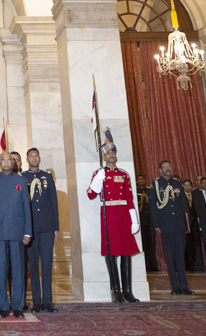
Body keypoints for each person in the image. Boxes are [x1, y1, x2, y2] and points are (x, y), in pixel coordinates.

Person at [86, 130, 140, 304]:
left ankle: (127, 291)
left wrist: (134, 219)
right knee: (112, 253)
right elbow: (90, 194)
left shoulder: (124, 175)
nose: (111, 155)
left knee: (126, 254)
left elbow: (129, 198)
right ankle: (115, 290)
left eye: (113, 152)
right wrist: (97, 180)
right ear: (103, 156)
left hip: (123, 215)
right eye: (108, 153)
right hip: (109, 216)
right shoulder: (99, 173)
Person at [0, 150, 32, 318]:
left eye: (9, 160)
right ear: (0, 163)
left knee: (18, 270)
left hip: (17, 231)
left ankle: (18, 306)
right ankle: (3, 306)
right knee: (0, 269)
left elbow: (27, 210)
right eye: (3, 160)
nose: (6, 162)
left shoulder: (21, 181)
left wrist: (28, 231)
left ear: (13, 163)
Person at [149, 159, 193, 296]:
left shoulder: (177, 183)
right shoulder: (156, 184)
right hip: (165, 225)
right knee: (170, 256)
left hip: (179, 225)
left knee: (180, 255)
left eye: (169, 166)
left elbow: (184, 205)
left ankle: (184, 286)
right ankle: (174, 286)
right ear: (160, 170)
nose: (168, 169)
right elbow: (152, 206)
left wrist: (187, 223)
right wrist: (156, 225)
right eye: (164, 167)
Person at [23, 148, 58, 312]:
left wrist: (56, 227)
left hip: (47, 227)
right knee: (33, 267)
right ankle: (36, 302)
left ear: (40, 158)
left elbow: (54, 203)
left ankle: (48, 301)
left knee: (46, 265)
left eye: (36, 155)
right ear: (27, 159)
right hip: (31, 229)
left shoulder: (47, 177)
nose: (34, 158)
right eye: (31, 156)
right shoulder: (23, 177)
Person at [135, 174, 156, 272]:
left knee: (151, 244)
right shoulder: (136, 192)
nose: (142, 181)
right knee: (142, 244)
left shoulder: (149, 191)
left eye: (143, 179)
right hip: (141, 221)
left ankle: (152, 265)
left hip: (150, 221)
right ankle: (144, 266)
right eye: (139, 179)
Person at [182, 179, 199, 270]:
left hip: (195, 224)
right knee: (187, 245)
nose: (187, 187)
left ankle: (196, 264)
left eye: (189, 185)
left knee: (195, 244)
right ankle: (188, 265)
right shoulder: (181, 196)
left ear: (192, 186)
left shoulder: (195, 195)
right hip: (185, 224)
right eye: (185, 185)